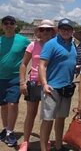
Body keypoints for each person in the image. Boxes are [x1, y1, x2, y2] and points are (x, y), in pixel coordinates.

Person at [38, 18, 77, 151]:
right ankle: (44, 148)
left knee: (61, 118)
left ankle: (59, 146)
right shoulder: (51, 44)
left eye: (68, 29)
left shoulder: (73, 45)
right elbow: (42, 65)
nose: (66, 31)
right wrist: (44, 84)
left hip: (66, 87)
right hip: (52, 87)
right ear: (58, 30)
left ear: (72, 31)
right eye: (63, 29)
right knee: (48, 120)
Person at [18, 20, 56, 151]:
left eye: (48, 30)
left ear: (52, 32)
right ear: (39, 32)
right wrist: (22, 82)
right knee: (31, 113)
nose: (45, 32)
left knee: (47, 116)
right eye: (42, 29)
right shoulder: (32, 45)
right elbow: (23, 64)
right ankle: (26, 141)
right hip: (34, 82)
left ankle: (46, 140)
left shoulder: (55, 46)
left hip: (50, 83)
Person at [0, 15, 30, 147]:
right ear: (2, 26)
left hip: (15, 77)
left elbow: (34, 51)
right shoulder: (0, 40)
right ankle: (5, 128)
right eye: (5, 23)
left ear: (15, 25)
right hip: (1, 77)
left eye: (11, 23)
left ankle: (10, 132)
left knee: (13, 104)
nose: (8, 25)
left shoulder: (23, 40)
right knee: (3, 105)